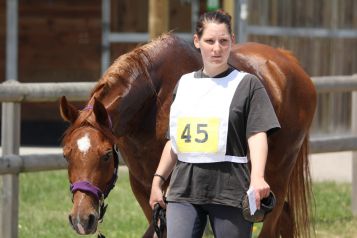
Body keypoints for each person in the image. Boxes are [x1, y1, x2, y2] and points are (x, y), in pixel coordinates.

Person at [149, 9, 280, 238]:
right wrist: (158, 180)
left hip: (230, 190)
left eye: (223, 41)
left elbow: (257, 134)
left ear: (232, 41)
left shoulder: (248, 85)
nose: (217, 48)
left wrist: (258, 175)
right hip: (183, 190)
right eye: (210, 41)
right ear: (197, 41)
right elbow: (175, 141)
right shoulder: (184, 84)